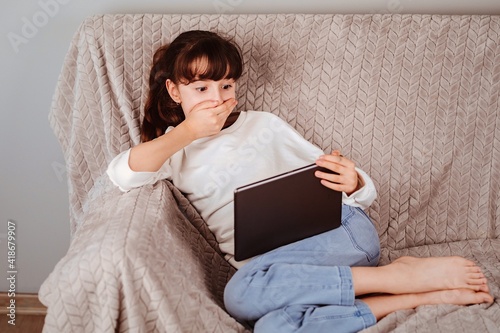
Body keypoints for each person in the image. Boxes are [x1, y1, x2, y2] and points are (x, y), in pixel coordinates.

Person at [106, 30, 494, 333]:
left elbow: (339, 180)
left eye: (226, 86)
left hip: (336, 234)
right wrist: (186, 131)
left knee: (241, 295)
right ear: (175, 91)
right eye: (201, 88)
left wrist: (354, 180)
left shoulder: (263, 125)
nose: (217, 99)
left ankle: (393, 276)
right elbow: (122, 174)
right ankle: (410, 295)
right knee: (277, 327)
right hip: (281, 273)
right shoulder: (174, 150)